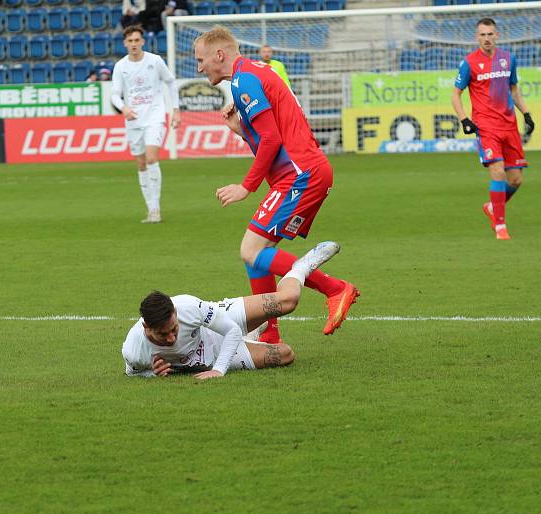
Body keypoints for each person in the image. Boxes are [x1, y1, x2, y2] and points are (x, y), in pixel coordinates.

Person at [193, 25, 359, 343]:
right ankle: (269, 332)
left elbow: (271, 138)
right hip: (304, 172)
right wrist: (240, 129)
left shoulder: (244, 79)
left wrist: (247, 186)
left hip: (300, 175)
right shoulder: (256, 71)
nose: (200, 68)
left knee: (251, 249)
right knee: (257, 252)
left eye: (202, 60)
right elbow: (273, 131)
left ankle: (336, 288)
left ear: (219, 54)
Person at [122, 241, 340, 379]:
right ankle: (253, 334)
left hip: (217, 324)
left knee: (288, 301)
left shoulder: (188, 307)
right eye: (163, 334)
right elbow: (132, 372)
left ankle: (302, 266)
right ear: (146, 327)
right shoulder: (134, 350)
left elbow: (231, 331)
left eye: (174, 329)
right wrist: (153, 373)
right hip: (215, 352)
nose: (171, 338)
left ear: (176, 315)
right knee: (285, 354)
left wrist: (219, 370)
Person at [451, 17, 534, 241]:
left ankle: (492, 207)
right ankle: (500, 227)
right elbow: (455, 94)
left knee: (516, 179)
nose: (486, 38)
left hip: (509, 126)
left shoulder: (508, 59)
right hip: (486, 127)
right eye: (482, 35)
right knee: (497, 171)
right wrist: (464, 119)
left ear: (497, 35)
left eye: (490, 34)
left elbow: (514, 90)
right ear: (476, 37)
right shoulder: (469, 62)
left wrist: (526, 113)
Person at [111, 24, 181, 224]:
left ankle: (156, 209)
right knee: (140, 163)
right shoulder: (121, 66)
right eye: (130, 41)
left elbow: (170, 81)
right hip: (133, 120)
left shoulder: (155, 61)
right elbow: (115, 94)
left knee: (151, 158)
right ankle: (150, 208)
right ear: (125, 43)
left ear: (142, 41)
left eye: (136, 40)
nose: (133, 44)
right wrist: (124, 108)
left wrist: (175, 110)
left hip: (155, 117)